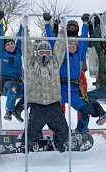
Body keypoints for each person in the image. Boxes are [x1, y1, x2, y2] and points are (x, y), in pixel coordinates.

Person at [43, 13, 106, 132]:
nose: (72, 45)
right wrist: (47, 23)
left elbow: (84, 40)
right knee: (57, 112)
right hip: (61, 89)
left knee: (84, 110)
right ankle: (60, 132)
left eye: (74, 44)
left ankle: (82, 130)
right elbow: (51, 39)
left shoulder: (79, 56)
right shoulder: (60, 56)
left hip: (74, 90)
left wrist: (85, 24)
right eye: (70, 44)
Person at [22, 24, 69, 153]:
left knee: (63, 131)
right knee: (31, 132)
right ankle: (29, 143)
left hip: (53, 104)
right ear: (36, 53)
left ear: (50, 54)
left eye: (47, 52)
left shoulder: (54, 64)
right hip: (37, 105)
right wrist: (25, 30)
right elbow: (26, 48)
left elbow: (59, 48)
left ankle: (59, 143)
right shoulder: (31, 64)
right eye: (41, 52)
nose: (44, 55)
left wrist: (62, 31)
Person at [0, 11, 24, 122]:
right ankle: (9, 110)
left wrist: (23, 24)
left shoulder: (18, 52)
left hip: (18, 82)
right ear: (4, 47)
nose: (11, 45)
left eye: (12, 43)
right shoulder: (1, 54)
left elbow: (20, 38)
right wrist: (0, 21)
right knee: (13, 86)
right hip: (6, 85)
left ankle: (18, 109)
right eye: (8, 44)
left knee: (31, 91)